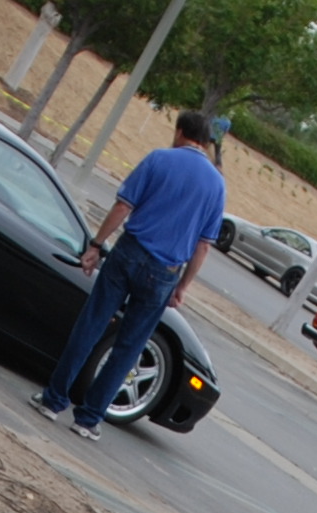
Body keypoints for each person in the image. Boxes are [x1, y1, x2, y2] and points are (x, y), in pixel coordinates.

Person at [32, 111, 223, 438]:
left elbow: (123, 206)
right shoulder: (217, 185)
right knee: (129, 347)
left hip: (129, 252)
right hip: (164, 272)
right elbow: (203, 245)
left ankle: (53, 400)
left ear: (180, 132)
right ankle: (88, 419)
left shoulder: (159, 159)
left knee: (91, 325)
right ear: (205, 142)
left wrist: (96, 244)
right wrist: (183, 286)